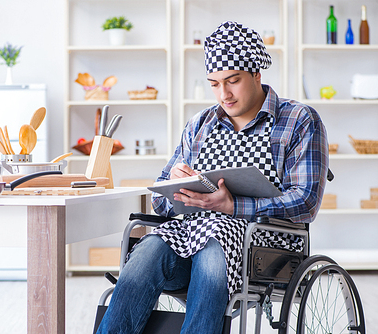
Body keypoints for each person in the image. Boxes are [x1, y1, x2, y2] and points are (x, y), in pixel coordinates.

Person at [96, 21, 329, 334]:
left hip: (263, 249)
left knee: (213, 243)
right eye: (215, 83)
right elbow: (158, 202)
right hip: (190, 238)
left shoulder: (299, 120)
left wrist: (233, 207)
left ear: (257, 74)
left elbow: (306, 202)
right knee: (148, 248)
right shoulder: (200, 124)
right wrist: (175, 188)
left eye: (233, 81)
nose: (224, 94)